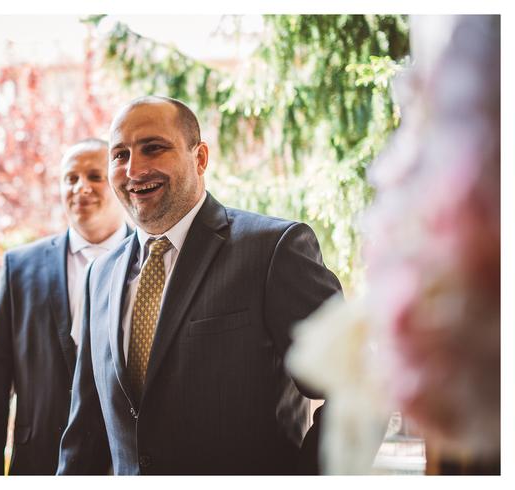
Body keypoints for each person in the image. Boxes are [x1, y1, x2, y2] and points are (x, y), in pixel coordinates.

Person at [57, 96, 342, 475]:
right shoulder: (100, 276)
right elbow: (86, 431)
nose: (133, 169)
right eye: (120, 155)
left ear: (201, 158)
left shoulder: (273, 249)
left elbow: (357, 385)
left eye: (153, 148)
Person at [0, 138, 129, 474]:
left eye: (95, 176)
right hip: (39, 462)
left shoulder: (149, 261)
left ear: (118, 181)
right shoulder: (20, 268)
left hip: (122, 465)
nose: (81, 187)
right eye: (71, 178)